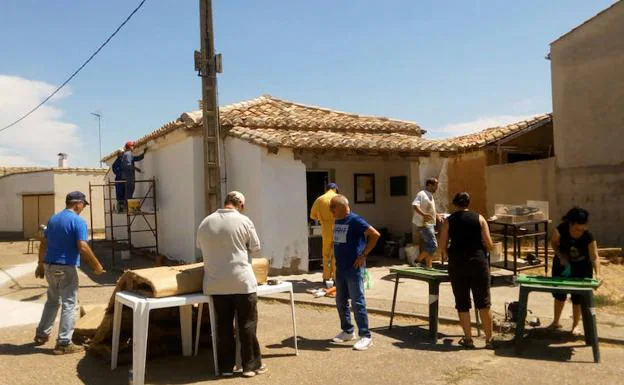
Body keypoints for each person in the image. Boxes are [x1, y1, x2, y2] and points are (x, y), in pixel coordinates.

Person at [196, 191, 267, 377]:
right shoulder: (244, 221)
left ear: (226, 202)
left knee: (223, 326)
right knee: (247, 324)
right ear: (240, 204)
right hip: (242, 281)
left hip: (215, 283)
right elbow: (255, 248)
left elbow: (201, 247)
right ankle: (250, 366)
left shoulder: (205, 222)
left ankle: (225, 368)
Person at [33, 191, 106, 354]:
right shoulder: (77, 221)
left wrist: (40, 263)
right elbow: (83, 246)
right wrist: (97, 265)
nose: (83, 208)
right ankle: (64, 342)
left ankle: (41, 334)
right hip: (65, 267)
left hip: (49, 266)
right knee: (70, 304)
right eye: (83, 205)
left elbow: (44, 242)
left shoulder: (53, 219)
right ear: (77, 204)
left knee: (52, 301)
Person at [439, 192, 495, 349]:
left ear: (454, 204)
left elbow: (442, 246)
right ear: (469, 203)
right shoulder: (479, 218)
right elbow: (489, 244)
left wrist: (449, 254)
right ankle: (489, 339)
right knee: (483, 303)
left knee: (462, 302)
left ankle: (468, 339)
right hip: (478, 263)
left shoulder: (448, 221)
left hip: (458, 264)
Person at [329, 194, 380, 351]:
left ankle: (366, 336)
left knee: (357, 302)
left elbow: (375, 235)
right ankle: (347, 331)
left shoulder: (355, 220)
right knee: (340, 301)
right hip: (341, 268)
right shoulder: (338, 219)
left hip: (354, 268)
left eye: (333, 207)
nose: (331, 210)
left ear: (343, 207)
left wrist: (363, 255)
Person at [548, 207, 600, 335]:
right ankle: (556, 322)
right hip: (563, 264)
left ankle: (575, 325)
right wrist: (561, 256)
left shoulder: (588, 236)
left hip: (582, 267)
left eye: (583, 228)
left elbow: (594, 256)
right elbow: (554, 243)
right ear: (570, 224)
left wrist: (598, 274)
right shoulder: (561, 229)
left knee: (577, 297)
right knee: (560, 294)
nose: (580, 232)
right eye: (577, 229)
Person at [310, 182, 339, 283]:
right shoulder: (339, 198)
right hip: (338, 229)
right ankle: (336, 277)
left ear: (326, 189)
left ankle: (326, 277)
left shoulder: (320, 199)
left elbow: (312, 216)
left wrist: (321, 218)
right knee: (336, 254)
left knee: (326, 255)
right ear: (335, 189)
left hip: (326, 230)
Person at [412, 177, 440, 268]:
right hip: (424, 224)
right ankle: (418, 260)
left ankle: (429, 266)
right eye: (435, 186)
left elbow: (430, 210)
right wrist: (424, 215)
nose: (436, 188)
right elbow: (415, 205)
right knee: (433, 245)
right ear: (429, 185)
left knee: (429, 245)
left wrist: (437, 215)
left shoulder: (430, 195)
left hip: (430, 224)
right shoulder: (422, 194)